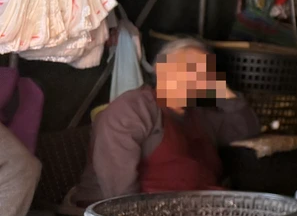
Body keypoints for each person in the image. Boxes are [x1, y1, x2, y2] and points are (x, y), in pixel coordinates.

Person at [70, 38, 260, 206]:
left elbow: (247, 129)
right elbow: (119, 193)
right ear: (161, 69)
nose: (196, 79)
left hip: (200, 210)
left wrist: (223, 92)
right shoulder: (134, 109)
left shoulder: (200, 115)